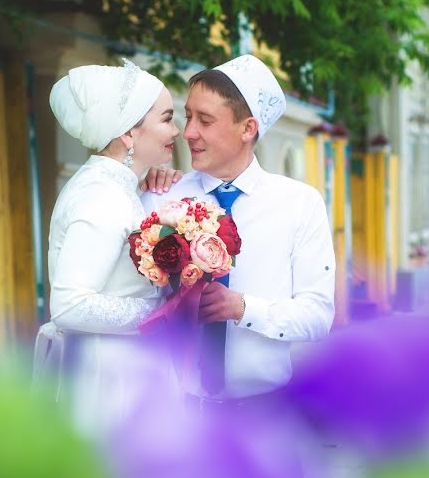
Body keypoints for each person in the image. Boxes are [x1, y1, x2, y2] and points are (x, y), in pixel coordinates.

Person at [141, 54, 336, 409]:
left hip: (267, 415)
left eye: (205, 120)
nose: (189, 133)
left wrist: (243, 308)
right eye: (188, 117)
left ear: (247, 128)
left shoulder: (299, 204)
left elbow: (318, 317)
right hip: (177, 413)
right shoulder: (161, 199)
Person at [33, 59, 182, 437]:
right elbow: (70, 304)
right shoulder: (100, 196)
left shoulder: (117, 188)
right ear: (129, 133)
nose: (177, 131)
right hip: (106, 379)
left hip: (120, 368)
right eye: (166, 119)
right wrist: (157, 313)